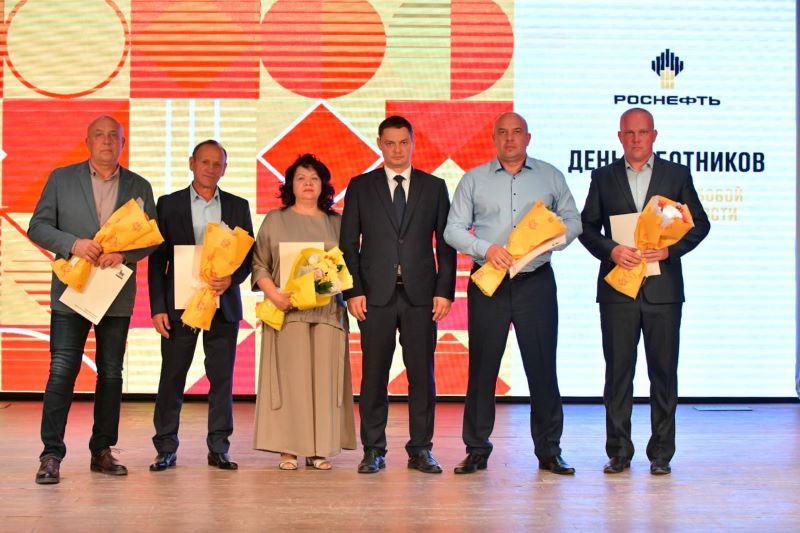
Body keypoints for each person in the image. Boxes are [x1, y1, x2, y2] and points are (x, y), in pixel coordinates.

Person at [444, 112, 582, 475]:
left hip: (535, 281)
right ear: (493, 138)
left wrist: (546, 244)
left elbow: (574, 221)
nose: (510, 138)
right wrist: (485, 248)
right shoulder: (473, 179)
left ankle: (549, 450)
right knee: (482, 367)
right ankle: (477, 449)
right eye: (502, 132)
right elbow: (452, 229)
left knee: (542, 367)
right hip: (489, 280)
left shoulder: (551, 176)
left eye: (517, 132)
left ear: (528, 137)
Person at [579, 107, 710, 475]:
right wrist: (611, 250)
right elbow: (586, 227)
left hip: (663, 291)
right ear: (620, 137)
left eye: (642, 132)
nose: (636, 139)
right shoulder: (603, 177)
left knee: (663, 374)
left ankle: (661, 454)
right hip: (618, 291)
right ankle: (619, 452)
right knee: (618, 374)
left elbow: (699, 224)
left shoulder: (677, 174)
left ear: (654, 135)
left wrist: (670, 251)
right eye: (629, 133)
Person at [28, 115, 158, 484]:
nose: (106, 141)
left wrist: (125, 255)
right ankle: (51, 454)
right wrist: (73, 244)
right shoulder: (61, 179)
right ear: (87, 142)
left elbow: (152, 238)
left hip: (114, 293)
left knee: (112, 373)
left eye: (113, 136)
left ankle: (102, 450)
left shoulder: (139, 186)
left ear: (123, 143)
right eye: (99, 135)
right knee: (61, 370)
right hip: (71, 293)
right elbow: (38, 226)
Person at [340, 115, 456, 474]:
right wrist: (353, 291)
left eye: (403, 142)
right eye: (389, 143)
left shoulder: (434, 187)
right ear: (379, 144)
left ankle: (421, 449)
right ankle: (373, 449)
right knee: (374, 375)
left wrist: (444, 291)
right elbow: (348, 244)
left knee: (422, 376)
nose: (396, 150)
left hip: (422, 296)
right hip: (374, 296)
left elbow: (446, 245)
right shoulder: (361, 186)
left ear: (413, 143)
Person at [148, 140, 253, 471]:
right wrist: (158, 307)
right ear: (191, 163)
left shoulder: (238, 205)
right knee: (172, 377)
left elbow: (248, 255)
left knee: (222, 379)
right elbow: (157, 260)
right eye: (204, 162)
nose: (210, 169)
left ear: (225, 168)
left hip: (223, 304)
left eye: (217, 163)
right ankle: (165, 447)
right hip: (180, 306)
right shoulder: (168, 204)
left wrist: (232, 278)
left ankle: (219, 448)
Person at [252, 154, 356, 470]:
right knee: (291, 381)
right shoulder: (275, 219)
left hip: (328, 312)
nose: (308, 183)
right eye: (300, 178)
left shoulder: (337, 222)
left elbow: (349, 265)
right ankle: (289, 448)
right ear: (290, 185)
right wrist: (275, 295)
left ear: (323, 185)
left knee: (324, 382)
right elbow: (259, 263)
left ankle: (319, 448)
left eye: (314, 178)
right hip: (287, 312)